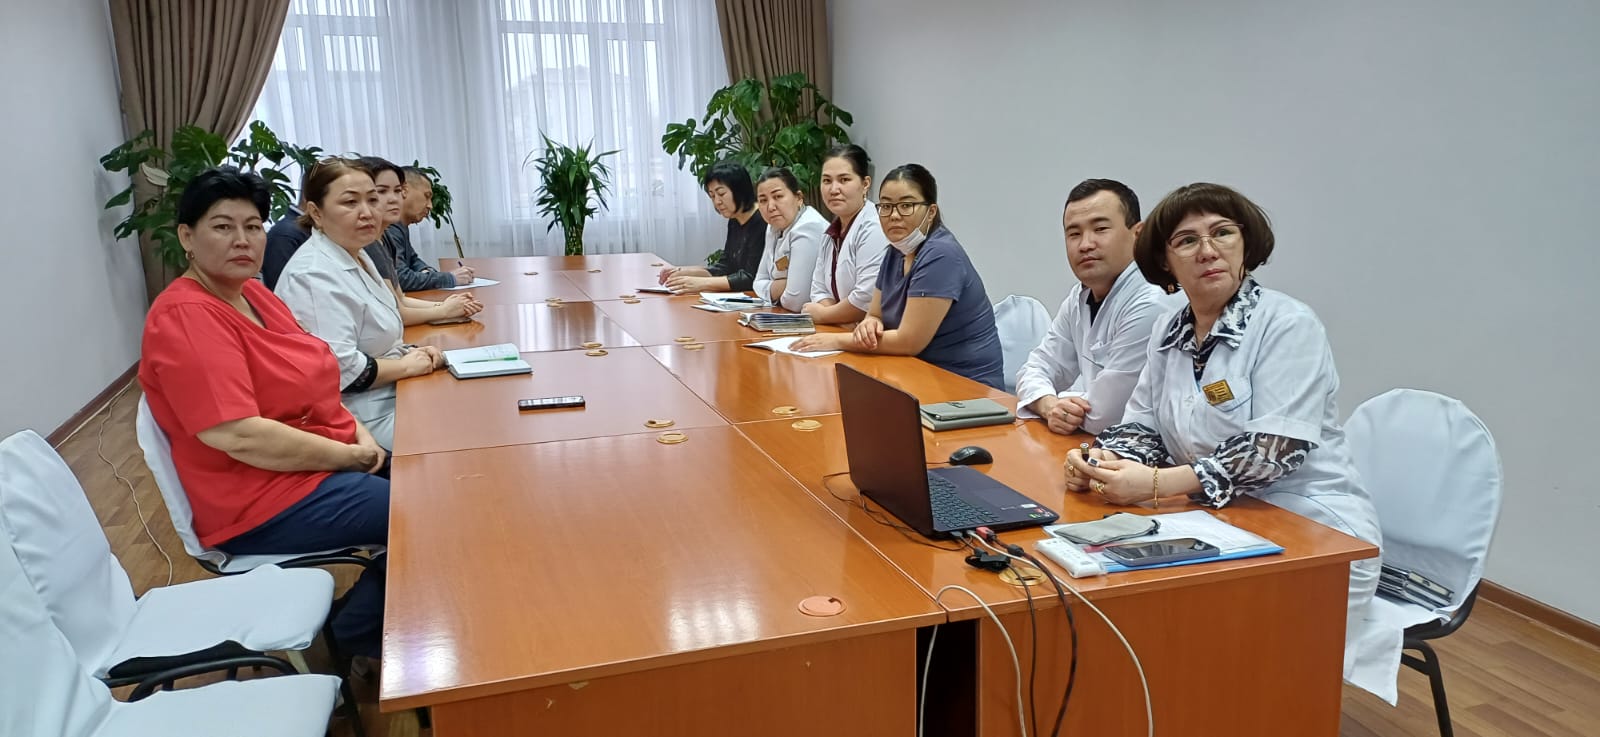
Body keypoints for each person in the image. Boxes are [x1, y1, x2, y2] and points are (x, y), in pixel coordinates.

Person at [1065, 182, 1381, 674]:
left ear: (1245, 244)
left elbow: (1272, 451)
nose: (1208, 250)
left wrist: (1154, 483)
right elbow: (1143, 423)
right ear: (1165, 261)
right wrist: (1103, 460)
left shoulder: (1287, 324)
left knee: (1241, 668)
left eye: (1222, 233)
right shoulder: (1170, 328)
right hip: (1220, 520)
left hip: (1313, 529)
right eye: (1187, 240)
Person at [139, 166, 389, 659]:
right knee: (420, 517)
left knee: (442, 491)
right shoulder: (187, 316)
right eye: (223, 226)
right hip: (260, 500)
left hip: (313, 466)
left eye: (253, 226)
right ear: (187, 237)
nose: (243, 240)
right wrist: (352, 455)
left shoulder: (251, 293)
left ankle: (375, 625)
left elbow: (319, 377)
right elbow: (239, 435)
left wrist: (359, 434)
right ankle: (349, 639)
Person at [275, 158, 445, 450]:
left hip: (389, 396)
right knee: (459, 436)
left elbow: (377, 332)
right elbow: (342, 371)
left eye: (372, 199)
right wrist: (405, 366)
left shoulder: (357, 253)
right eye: (350, 202)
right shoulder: (313, 274)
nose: (367, 212)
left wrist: (413, 352)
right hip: (357, 418)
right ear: (316, 213)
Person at [791, 164, 1005, 388]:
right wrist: (870, 324)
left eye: (906, 206)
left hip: (964, 385)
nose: (894, 215)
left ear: (931, 211)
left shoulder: (941, 255)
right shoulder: (896, 251)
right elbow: (874, 313)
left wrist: (836, 340)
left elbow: (909, 341)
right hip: (915, 373)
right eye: (886, 206)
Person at [1016, 179, 1167, 435]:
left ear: (1138, 234)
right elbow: (1036, 367)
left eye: (1100, 229)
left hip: (1149, 452)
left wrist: (1058, 406)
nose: (1085, 244)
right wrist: (1049, 405)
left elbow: (1107, 416)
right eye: (1074, 234)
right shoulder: (1080, 295)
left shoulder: (1152, 300)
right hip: (1096, 444)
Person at [359, 156, 484, 325]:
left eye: (397, 191)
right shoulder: (367, 242)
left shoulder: (385, 236)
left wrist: (446, 306)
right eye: (381, 192)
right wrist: (444, 310)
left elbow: (400, 299)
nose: (394, 198)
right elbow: (396, 310)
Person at [801, 145, 888, 325]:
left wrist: (824, 315)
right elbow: (818, 289)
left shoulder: (875, 227)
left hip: (871, 333)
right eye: (827, 181)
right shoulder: (831, 232)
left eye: (844, 180)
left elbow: (866, 298)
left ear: (865, 184)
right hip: (839, 329)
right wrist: (835, 319)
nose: (834, 189)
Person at [657, 161, 767, 293]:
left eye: (721, 194)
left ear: (740, 190)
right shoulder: (735, 219)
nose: (717, 202)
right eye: (712, 196)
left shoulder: (763, 220)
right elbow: (726, 266)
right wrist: (685, 272)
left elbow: (751, 278)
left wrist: (701, 283)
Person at [750, 167, 828, 311]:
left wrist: (772, 290)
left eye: (778, 196)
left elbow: (796, 301)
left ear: (799, 198)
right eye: (763, 200)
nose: (770, 207)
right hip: (786, 314)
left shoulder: (809, 226)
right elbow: (758, 281)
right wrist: (786, 284)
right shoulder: (773, 227)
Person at [386, 167, 474, 291]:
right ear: (404, 190)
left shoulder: (401, 226)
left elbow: (412, 259)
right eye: (427, 196)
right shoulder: (389, 228)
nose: (430, 206)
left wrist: (427, 271)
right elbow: (401, 278)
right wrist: (450, 278)